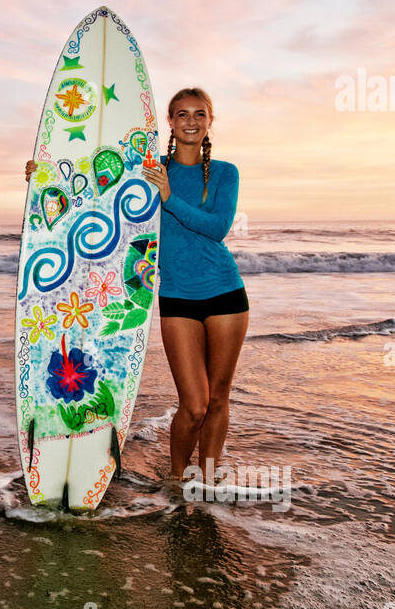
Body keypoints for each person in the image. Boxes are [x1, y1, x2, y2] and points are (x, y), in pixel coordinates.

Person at [22, 87, 248, 487]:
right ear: (170, 122)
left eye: (199, 114)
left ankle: (209, 484)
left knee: (218, 398)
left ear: (210, 121)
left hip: (226, 294)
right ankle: (178, 482)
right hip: (176, 297)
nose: (190, 121)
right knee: (194, 404)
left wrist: (168, 196)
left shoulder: (225, 173)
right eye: (181, 114)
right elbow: (94, 189)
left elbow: (217, 228)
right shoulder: (147, 167)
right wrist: (45, 176)